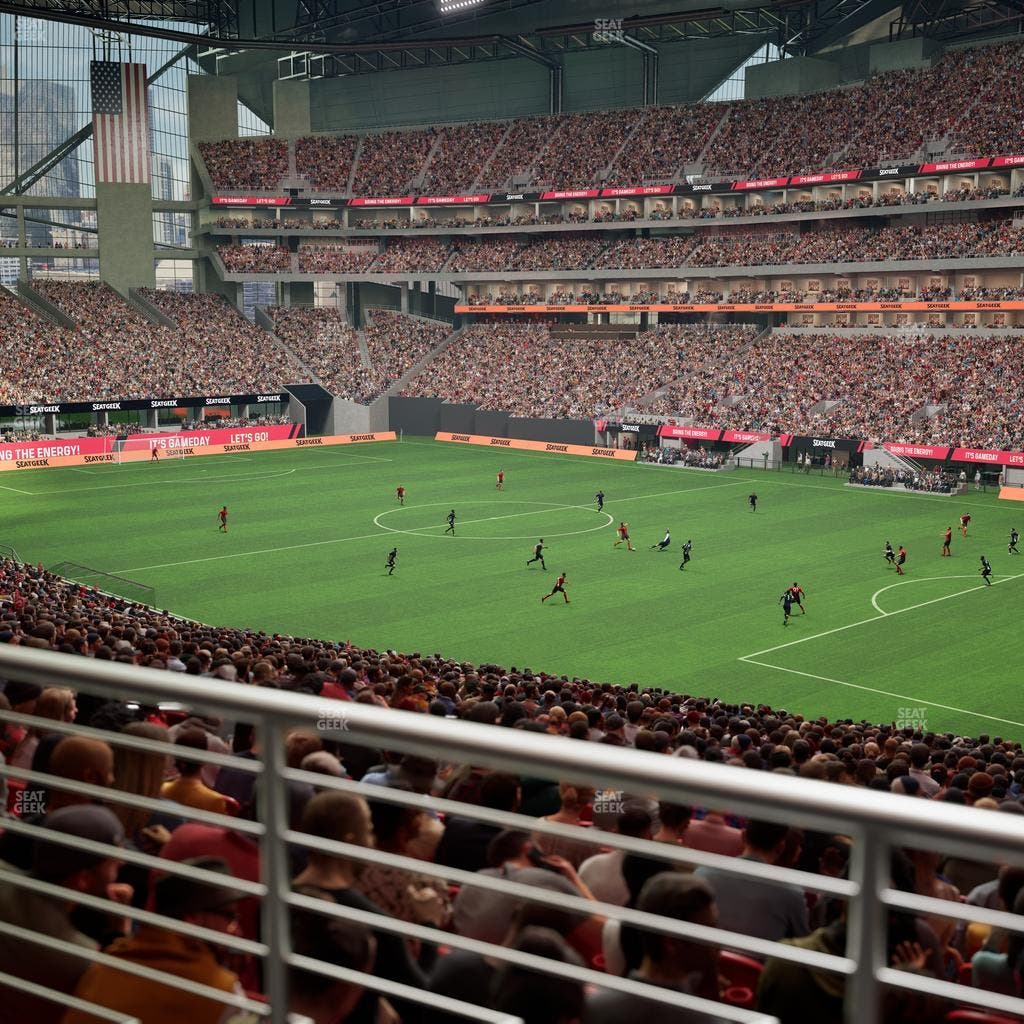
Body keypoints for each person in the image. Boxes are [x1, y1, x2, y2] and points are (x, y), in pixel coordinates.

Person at [63, 857, 247, 1024]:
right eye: (230, 917)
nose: (235, 928)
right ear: (192, 918)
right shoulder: (223, 992)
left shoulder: (104, 965)